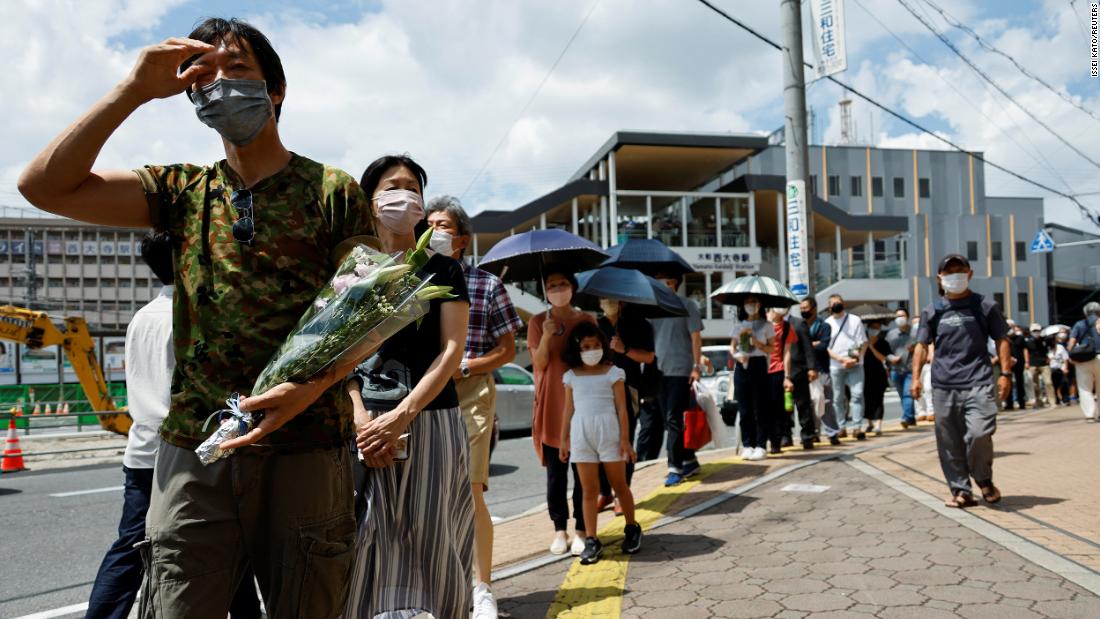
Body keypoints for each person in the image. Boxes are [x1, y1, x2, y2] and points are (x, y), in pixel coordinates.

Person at [19, 18, 379, 616]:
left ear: (276, 90)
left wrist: (308, 389)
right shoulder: (181, 191)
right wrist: (132, 89)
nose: (220, 86)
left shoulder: (331, 190)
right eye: (204, 76)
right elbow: (44, 186)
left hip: (308, 445)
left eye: (237, 70)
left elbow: (369, 313)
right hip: (196, 449)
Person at [86, 234, 260, 619]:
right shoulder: (197, 316)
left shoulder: (141, 317)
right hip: (190, 452)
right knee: (226, 540)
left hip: (143, 450)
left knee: (131, 547)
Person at [344, 156, 474, 618]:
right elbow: (333, 357)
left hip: (430, 420)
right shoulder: (353, 270)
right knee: (359, 544)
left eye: (413, 188)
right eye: (392, 186)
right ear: (371, 200)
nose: (405, 195)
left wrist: (402, 415)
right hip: (363, 428)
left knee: (434, 541)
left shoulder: (444, 270)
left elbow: (451, 350)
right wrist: (361, 417)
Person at [425, 195, 522, 619]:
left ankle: (481, 587)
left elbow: (507, 350)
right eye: (429, 224)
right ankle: (436, 586)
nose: (435, 232)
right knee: (426, 494)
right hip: (418, 397)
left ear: (461, 239)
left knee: (470, 488)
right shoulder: (409, 280)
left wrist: (466, 365)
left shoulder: (486, 284)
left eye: (444, 226)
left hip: (470, 393)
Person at [912, 253, 1011, 508]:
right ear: (940, 278)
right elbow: (921, 345)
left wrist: (1006, 374)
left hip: (978, 381)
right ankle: (961, 490)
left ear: (969, 273)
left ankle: (984, 479)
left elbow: (1002, 339)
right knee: (949, 440)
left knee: (979, 433)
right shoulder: (932, 310)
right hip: (944, 384)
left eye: (959, 270)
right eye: (949, 271)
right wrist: (916, 379)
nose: (954, 275)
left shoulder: (985, 306)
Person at [559, 322, 643, 565]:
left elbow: (621, 408)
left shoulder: (613, 372)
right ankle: (592, 540)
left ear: (604, 346)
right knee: (588, 491)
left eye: (596, 345)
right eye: (586, 346)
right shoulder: (571, 376)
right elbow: (568, 410)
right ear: (578, 349)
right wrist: (564, 440)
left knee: (620, 484)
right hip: (581, 435)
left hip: (610, 434)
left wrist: (626, 440)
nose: (591, 350)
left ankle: (631, 527)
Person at [528, 267, 597, 555]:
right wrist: (545, 336)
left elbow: (595, 358)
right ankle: (560, 529)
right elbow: (540, 364)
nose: (557, 288)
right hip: (552, 404)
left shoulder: (587, 320)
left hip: (583, 403)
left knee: (584, 472)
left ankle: (582, 529)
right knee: (556, 474)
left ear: (573, 286)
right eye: (552, 284)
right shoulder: (536, 322)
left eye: (563, 283)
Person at [596, 298, 655, 515]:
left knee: (625, 441)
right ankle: (604, 491)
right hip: (599, 389)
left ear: (621, 301)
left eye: (611, 298)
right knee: (600, 440)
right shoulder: (594, 325)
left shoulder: (639, 324)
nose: (607, 301)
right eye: (603, 297)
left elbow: (649, 357)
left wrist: (624, 349)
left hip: (628, 388)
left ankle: (623, 492)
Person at [649, 270, 704, 485]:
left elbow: (696, 337)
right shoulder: (652, 307)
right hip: (658, 371)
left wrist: (696, 366)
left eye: (669, 282)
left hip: (681, 370)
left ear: (676, 284)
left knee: (673, 418)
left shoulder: (688, 305)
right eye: (661, 282)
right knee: (669, 420)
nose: (665, 286)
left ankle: (675, 468)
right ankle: (689, 459)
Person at [731, 295, 774, 461]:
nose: (751, 305)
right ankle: (747, 444)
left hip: (759, 364)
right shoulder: (739, 326)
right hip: (742, 365)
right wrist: (738, 356)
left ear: (760, 304)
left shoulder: (767, 325)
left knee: (760, 407)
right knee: (744, 408)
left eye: (754, 302)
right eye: (748, 302)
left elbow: (772, 348)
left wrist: (758, 343)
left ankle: (761, 445)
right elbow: (732, 347)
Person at [824, 294, 868, 440]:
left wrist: (853, 359)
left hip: (855, 364)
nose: (836, 305)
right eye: (833, 303)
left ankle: (857, 427)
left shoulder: (854, 320)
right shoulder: (827, 323)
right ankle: (841, 427)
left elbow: (862, 342)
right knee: (837, 398)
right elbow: (826, 347)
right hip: (836, 365)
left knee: (857, 395)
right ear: (829, 307)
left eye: (839, 302)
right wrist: (841, 359)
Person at [800, 298, 840, 445]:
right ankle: (814, 433)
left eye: (806, 308)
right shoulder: (800, 326)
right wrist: (812, 344)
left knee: (826, 402)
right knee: (810, 404)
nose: (803, 311)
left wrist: (807, 346)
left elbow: (823, 346)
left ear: (814, 309)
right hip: (805, 371)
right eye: (801, 308)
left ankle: (833, 433)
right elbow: (800, 347)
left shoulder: (824, 326)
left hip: (822, 369)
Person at [784, 306, 819, 450]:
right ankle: (786, 436)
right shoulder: (771, 324)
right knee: (784, 407)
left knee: (803, 404)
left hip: (799, 369)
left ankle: (807, 436)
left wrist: (811, 367)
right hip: (779, 371)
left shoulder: (799, 323)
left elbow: (808, 347)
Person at [765, 306, 798, 454]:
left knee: (778, 409)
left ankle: (775, 442)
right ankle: (759, 442)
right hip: (760, 370)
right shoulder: (760, 323)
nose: (784, 309)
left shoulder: (786, 327)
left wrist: (787, 377)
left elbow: (787, 353)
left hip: (777, 371)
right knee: (761, 408)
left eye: (787, 307)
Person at [886, 307, 918, 428]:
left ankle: (907, 418)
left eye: (902, 316)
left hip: (910, 368)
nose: (900, 318)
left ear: (907, 317)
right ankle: (911, 417)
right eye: (897, 316)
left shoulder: (915, 332)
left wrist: (914, 348)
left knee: (907, 394)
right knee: (902, 395)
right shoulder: (891, 334)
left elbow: (922, 347)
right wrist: (891, 358)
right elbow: (886, 351)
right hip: (896, 370)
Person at [1068, 302, 1100, 421]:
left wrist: (1071, 356)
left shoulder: (1080, 324)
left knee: (1085, 387)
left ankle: (1090, 415)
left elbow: (1071, 342)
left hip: (1084, 358)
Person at [863, 318, 892, 436]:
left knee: (879, 399)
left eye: (877, 328)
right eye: (872, 327)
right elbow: (860, 356)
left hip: (879, 374)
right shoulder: (862, 341)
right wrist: (866, 344)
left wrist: (872, 346)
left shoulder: (883, 343)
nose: (874, 330)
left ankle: (878, 425)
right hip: (865, 373)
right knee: (866, 398)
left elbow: (883, 358)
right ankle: (869, 422)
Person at [1024, 323, 1052, 408]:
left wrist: (1049, 357)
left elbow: (1050, 348)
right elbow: (1026, 351)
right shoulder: (1028, 341)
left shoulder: (1045, 340)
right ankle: (1038, 401)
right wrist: (1027, 362)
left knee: (1048, 383)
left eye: (1038, 331)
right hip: (1033, 364)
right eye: (1034, 331)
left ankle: (1052, 402)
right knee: (1034, 384)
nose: (1036, 332)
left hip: (1044, 364)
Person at [1005, 320, 1028, 410]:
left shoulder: (1020, 338)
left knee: (1019, 383)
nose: (1009, 328)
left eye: (1011, 326)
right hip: (1008, 363)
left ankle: (1022, 403)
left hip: (1019, 363)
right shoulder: (1004, 338)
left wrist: (1027, 362)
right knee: (1008, 382)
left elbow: (1025, 350)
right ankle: (1009, 404)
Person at [1048, 335, 1070, 405]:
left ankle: (1066, 399)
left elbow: (1065, 358)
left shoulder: (1060, 347)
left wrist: (1066, 368)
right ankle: (1057, 400)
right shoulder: (1048, 349)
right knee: (1054, 385)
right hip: (1052, 369)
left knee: (1064, 384)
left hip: (1061, 368)